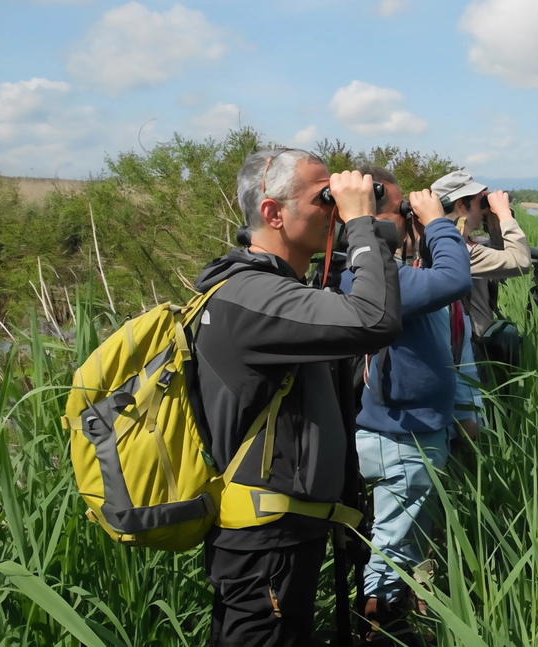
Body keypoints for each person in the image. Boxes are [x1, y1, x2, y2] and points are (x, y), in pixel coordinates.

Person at [191, 148, 402, 646]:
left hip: (284, 536)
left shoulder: (277, 290)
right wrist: (362, 226)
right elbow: (375, 320)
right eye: (323, 197)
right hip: (264, 548)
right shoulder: (252, 297)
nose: (335, 208)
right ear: (273, 213)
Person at [340, 165, 472, 642]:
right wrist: (437, 220)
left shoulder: (380, 277)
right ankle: (379, 630)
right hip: (402, 438)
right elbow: (457, 280)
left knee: (400, 535)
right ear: (373, 219)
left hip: (406, 432)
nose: (409, 217)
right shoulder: (380, 281)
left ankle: (400, 612)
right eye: (402, 210)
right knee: (390, 545)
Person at [431, 171, 531, 437]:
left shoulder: (438, 242)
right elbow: (519, 262)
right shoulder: (458, 250)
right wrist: (505, 214)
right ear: (462, 206)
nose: (483, 207)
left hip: (457, 347)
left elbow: (497, 255)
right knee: (474, 425)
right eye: (479, 202)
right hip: (470, 350)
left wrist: (494, 220)